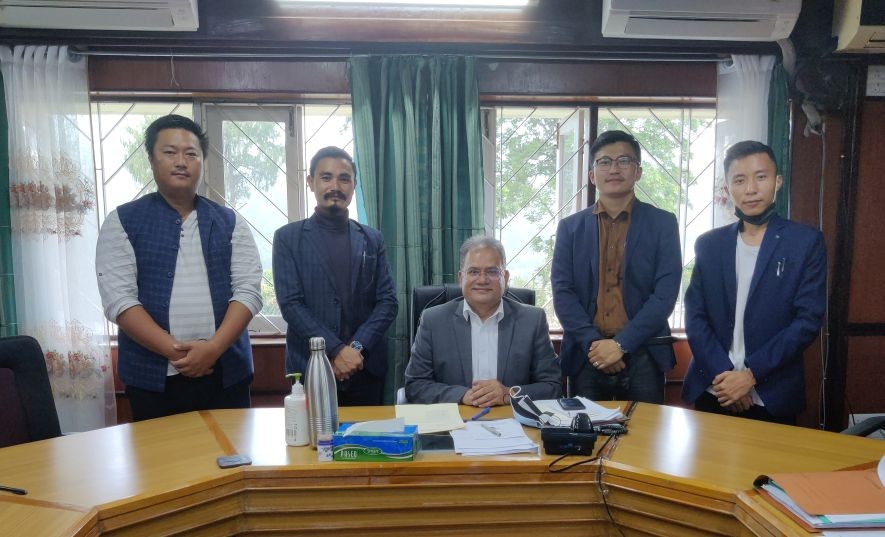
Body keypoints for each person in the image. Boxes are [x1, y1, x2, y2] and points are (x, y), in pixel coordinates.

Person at [96, 114, 263, 421]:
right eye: (170, 152)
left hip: (226, 374)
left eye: (191, 154)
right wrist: (177, 352)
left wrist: (212, 349)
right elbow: (119, 301)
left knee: (232, 450)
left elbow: (248, 291)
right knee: (160, 453)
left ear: (202, 162)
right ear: (151, 159)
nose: (181, 162)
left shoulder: (230, 221)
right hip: (152, 380)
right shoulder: (122, 221)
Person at [682, 141, 826, 424]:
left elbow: (807, 320)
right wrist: (726, 377)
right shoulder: (709, 244)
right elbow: (695, 316)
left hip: (772, 395)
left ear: (777, 181)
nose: (751, 189)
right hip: (715, 388)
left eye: (761, 177)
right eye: (739, 180)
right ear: (727, 188)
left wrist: (750, 376)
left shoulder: (805, 242)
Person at [552, 130, 682, 404]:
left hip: (644, 352)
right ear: (592, 175)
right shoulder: (570, 228)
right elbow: (563, 293)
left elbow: (665, 295)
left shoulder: (663, 223)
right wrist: (597, 346)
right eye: (604, 162)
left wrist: (621, 345)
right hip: (587, 355)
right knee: (584, 431)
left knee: (645, 431)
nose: (614, 169)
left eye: (624, 161)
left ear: (638, 172)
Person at [273, 146, 398, 406]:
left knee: (367, 433)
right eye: (326, 177)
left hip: (364, 368)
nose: (335, 186)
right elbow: (291, 304)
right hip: (310, 367)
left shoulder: (372, 238)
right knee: (313, 434)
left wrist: (355, 349)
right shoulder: (288, 238)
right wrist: (336, 350)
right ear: (311, 182)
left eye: (344, 178)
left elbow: (388, 302)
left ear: (354, 185)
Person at [405, 236, 561, 406]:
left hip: (511, 418)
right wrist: (463, 396)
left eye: (492, 272)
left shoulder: (532, 320)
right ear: (461, 278)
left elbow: (552, 386)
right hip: (456, 417)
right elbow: (415, 385)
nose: (482, 280)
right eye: (473, 272)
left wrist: (508, 393)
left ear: (505, 278)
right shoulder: (433, 320)